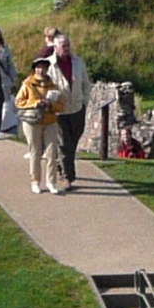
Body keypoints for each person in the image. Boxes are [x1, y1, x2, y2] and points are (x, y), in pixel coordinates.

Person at [43, 28, 90, 192]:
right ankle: (68, 177)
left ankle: (59, 164)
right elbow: (44, 87)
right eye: (63, 46)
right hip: (59, 111)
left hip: (77, 108)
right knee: (64, 144)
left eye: (68, 45)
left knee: (74, 140)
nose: (67, 49)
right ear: (55, 47)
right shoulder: (48, 65)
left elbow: (86, 84)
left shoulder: (78, 62)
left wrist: (84, 102)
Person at [15, 63, 65, 194]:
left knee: (51, 152)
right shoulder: (27, 84)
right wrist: (36, 103)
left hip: (50, 121)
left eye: (43, 68)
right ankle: (35, 181)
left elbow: (61, 106)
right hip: (32, 121)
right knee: (35, 151)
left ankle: (51, 182)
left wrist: (51, 104)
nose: (41, 70)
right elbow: (19, 102)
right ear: (34, 69)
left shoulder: (53, 86)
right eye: (38, 68)